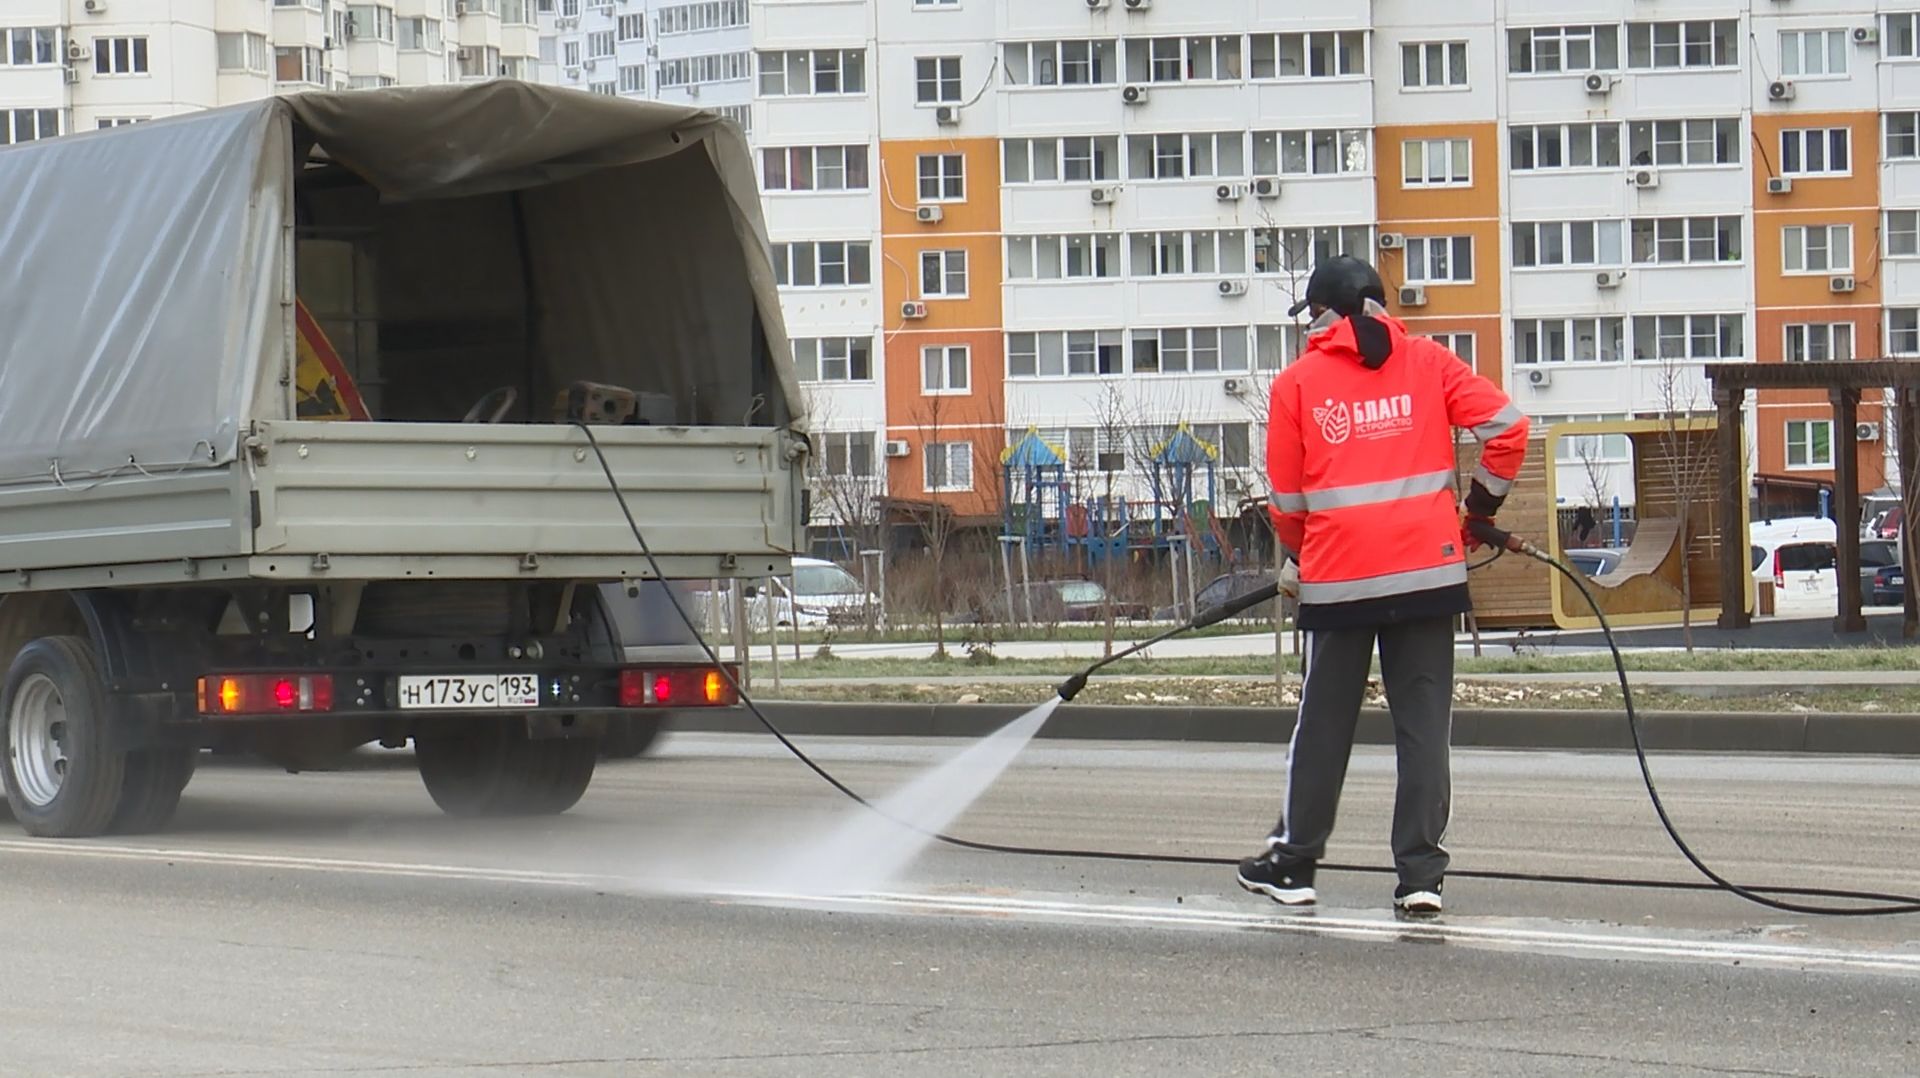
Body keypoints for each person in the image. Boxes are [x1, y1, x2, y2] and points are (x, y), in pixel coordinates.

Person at [1239, 256, 1529, 916]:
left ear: (1324, 315)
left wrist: (1298, 555)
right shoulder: (1431, 363)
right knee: (1424, 728)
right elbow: (1509, 429)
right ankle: (1421, 877)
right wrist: (1480, 511)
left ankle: (1295, 863)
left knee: (1324, 725)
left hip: (1339, 580)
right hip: (1430, 576)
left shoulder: (1298, 385)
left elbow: (1287, 497)